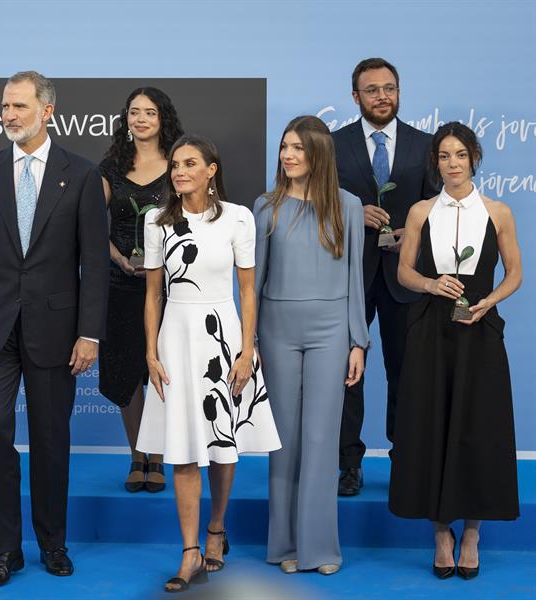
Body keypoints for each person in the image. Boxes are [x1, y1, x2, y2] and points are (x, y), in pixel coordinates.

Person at [0, 71, 109, 588]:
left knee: (50, 438)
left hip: (58, 329)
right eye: (4, 107)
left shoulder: (81, 174)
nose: (9, 115)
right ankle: (3, 551)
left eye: (19, 106)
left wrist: (89, 333)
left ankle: (52, 543)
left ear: (48, 111)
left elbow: (93, 262)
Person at [137, 135, 280, 593]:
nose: (179, 171)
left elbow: (249, 290)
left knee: (221, 443)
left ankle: (216, 529)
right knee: (181, 448)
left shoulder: (239, 218)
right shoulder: (157, 221)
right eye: (175, 165)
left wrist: (246, 349)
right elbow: (153, 294)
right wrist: (151, 352)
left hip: (224, 338)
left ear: (211, 169)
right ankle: (189, 551)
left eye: (189, 163)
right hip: (175, 338)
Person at [389, 122, 521, 580]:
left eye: (460, 155)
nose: (452, 164)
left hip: (479, 332)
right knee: (431, 429)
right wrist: (430, 282)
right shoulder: (421, 211)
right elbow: (404, 272)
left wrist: (490, 301)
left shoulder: (498, 211)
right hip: (431, 332)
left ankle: (472, 533)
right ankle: (441, 532)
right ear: (435, 162)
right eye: (444, 156)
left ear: (474, 158)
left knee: (478, 430)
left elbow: (515, 273)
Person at [256, 116, 368, 575]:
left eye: (298, 148)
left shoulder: (349, 206)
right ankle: (284, 544)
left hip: (331, 333)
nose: (288, 155)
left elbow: (356, 278)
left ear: (318, 152)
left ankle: (319, 547)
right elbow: (255, 282)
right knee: (284, 441)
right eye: (285, 147)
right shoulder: (267, 206)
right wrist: (251, 343)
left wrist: (358, 341)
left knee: (322, 440)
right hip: (276, 330)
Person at [331, 57, 439, 496]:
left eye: (389, 88)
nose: (382, 96)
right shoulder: (331, 145)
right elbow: (314, 204)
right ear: (355, 97)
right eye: (372, 89)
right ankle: (348, 464)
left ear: (399, 92)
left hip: (405, 277)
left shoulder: (426, 145)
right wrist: (350, 210)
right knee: (346, 372)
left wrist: (410, 238)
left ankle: (405, 458)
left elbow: (440, 209)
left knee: (406, 372)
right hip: (348, 276)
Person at [98, 87, 183, 493]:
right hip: (120, 283)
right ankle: (137, 456)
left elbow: (197, 221)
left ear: (162, 118)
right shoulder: (112, 165)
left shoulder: (180, 163)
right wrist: (119, 260)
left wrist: (161, 264)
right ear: (126, 119)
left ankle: (161, 458)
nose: (141, 118)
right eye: (134, 112)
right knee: (125, 372)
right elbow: (92, 227)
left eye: (150, 112)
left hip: (172, 286)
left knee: (165, 371)